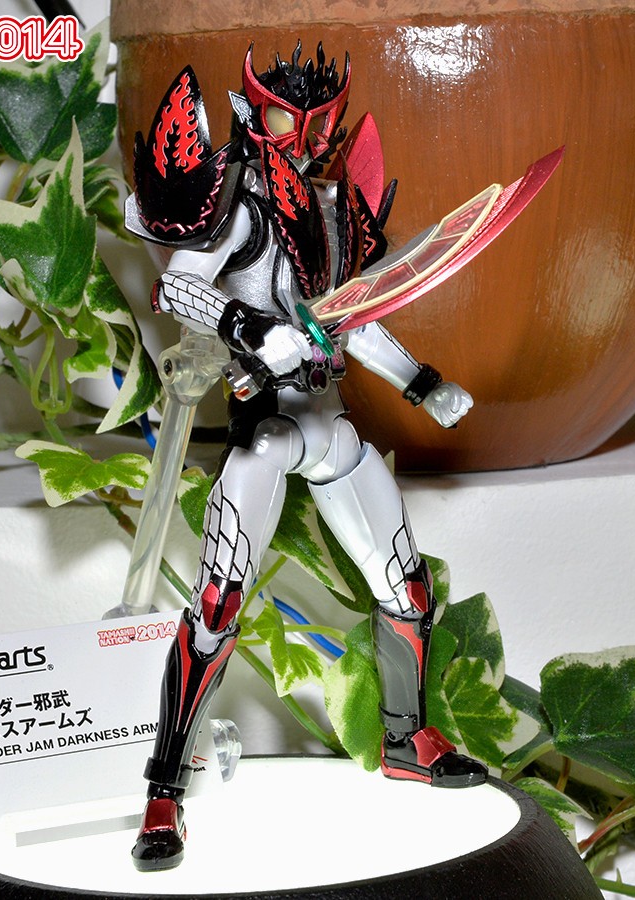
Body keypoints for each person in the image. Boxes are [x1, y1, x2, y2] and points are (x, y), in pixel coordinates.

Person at [123, 42, 487, 872]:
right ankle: (163, 792)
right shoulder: (238, 205)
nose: (307, 136)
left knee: (407, 588)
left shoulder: (328, 209)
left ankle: (406, 739)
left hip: (327, 422)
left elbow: (352, 316)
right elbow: (176, 285)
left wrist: (422, 382)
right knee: (218, 603)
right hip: (265, 426)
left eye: (320, 122)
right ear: (255, 113)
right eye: (290, 119)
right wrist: (251, 328)